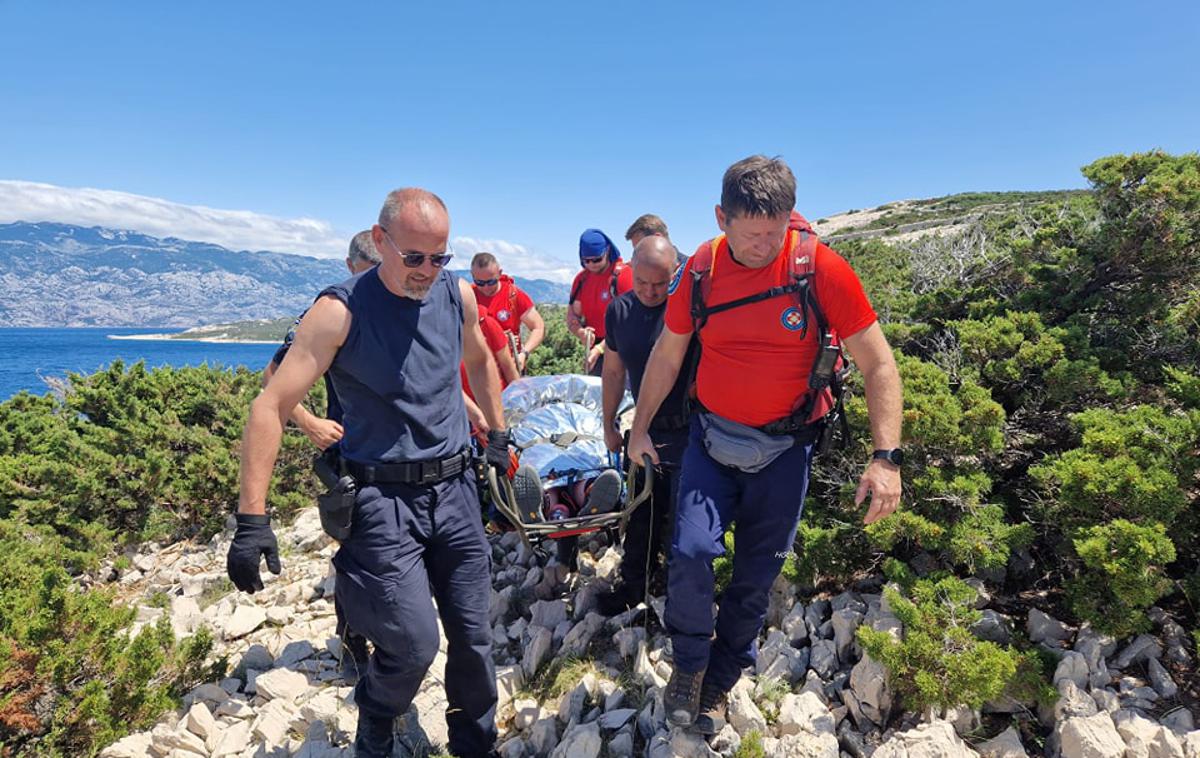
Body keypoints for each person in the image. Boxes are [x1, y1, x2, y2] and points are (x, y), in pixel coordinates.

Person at [227, 188, 510, 758]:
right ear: (380, 241)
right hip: (382, 499)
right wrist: (251, 519)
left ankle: (475, 743)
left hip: (455, 488)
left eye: (439, 258)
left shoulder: (456, 297)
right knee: (411, 644)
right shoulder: (339, 311)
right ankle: (378, 714)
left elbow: (477, 359)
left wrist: (497, 434)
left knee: (476, 638)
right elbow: (270, 404)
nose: (427, 271)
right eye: (414, 258)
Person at [627, 156, 903, 734]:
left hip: (786, 448)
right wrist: (641, 427)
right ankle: (689, 663)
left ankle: (720, 682)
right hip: (711, 437)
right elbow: (669, 352)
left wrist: (886, 459)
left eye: (774, 232)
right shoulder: (700, 268)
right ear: (720, 217)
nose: (763, 245)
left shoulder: (817, 266)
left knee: (755, 573)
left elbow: (878, 361)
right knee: (692, 553)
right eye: (751, 234)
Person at [260, 229, 380, 682]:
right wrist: (309, 423)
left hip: (392, 454)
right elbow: (274, 375)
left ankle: (383, 643)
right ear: (352, 267)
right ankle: (352, 646)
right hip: (348, 453)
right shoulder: (332, 310)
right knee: (355, 555)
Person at [596, 235, 697, 615]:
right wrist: (607, 422)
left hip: (691, 427)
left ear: (674, 274)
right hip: (644, 427)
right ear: (631, 273)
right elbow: (613, 370)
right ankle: (634, 585)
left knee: (683, 520)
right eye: (642, 283)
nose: (651, 292)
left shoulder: (687, 309)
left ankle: (678, 598)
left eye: (660, 284)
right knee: (641, 512)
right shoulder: (619, 312)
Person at [566, 228, 633, 376]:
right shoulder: (581, 280)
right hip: (596, 348)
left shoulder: (623, 276)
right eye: (586, 261)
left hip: (622, 348)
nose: (592, 264)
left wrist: (600, 349)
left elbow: (627, 322)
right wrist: (580, 332)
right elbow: (572, 314)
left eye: (597, 259)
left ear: (607, 251)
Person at [470, 252, 545, 373]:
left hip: (510, 367)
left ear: (499, 274)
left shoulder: (513, 295)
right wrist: (495, 339)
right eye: (480, 283)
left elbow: (538, 327)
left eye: (491, 282)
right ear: (472, 276)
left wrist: (524, 354)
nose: (485, 287)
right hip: (479, 369)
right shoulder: (467, 296)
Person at [461, 303, 519, 433]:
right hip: (463, 414)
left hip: (498, 407)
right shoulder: (437, 332)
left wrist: (520, 403)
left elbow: (508, 367)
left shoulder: (487, 324)